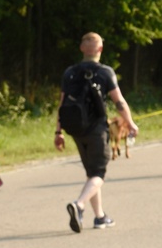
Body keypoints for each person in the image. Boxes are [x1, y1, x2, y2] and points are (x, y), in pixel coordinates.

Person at [54, 32, 139, 233]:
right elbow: (119, 102)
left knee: (91, 173)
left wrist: (58, 132)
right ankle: (79, 205)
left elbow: (61, 104)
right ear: (100, 49)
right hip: (97, 129)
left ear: (82, 48)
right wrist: (131, 123)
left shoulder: (69, 73)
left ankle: (100, 217)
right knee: (99, 173)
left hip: (75, 129)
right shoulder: (105, 72)